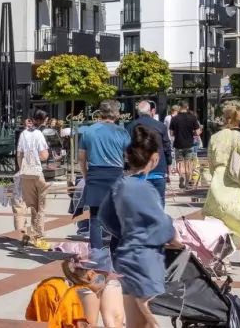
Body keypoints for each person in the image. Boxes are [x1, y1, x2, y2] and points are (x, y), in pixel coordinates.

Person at [96, 123, 178, 327]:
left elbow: (104, 216)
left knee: (135, 320)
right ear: (155, 158)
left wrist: (124, 233)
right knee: (149, 316)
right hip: (145, 258)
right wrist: (174, 238)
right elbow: (161, 224)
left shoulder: (120, 184)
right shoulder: (145, 189)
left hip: (125, 256)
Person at [202, 99, 240, 266]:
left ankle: (224, 257)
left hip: (218, 180)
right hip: (234, 179)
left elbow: (210, 162)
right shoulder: (237, 136)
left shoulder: (214, 137)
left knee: (221, 219)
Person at [77, 100, 132, 262]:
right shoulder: (122, 132)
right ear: (117, 114)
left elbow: (81, 158)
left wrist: (86, 175)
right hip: (116, 174)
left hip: (95, 173)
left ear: (100, 113)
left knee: (95, 217)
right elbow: (129, 157)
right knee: (118, 215)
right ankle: (116, 251)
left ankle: (96, 252)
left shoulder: (88, 131)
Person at [14, 111, 52, 248]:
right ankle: (38, 237)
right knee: (40, 206)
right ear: (43, 120)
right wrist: (48, 152)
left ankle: (24, 234)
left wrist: (22, 169)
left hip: (25, 173)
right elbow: (44, 156)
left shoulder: (23, 134)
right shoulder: (39, 134)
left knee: (26, 204)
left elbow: (19, 154)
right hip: (36, 173)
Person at [129, 99, 171, 206]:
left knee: (139, 203)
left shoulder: (131, 126)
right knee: (159, 202)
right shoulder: (160, 126)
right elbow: (167, 147)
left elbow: (127, 147)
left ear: (138, 112)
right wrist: (169, 165)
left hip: (138, 170)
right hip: (158, 169)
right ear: (150, 111)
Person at [169, 101, 202, 190]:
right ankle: (187, 183)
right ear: (187, 107)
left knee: (180, 163)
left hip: (178, 144)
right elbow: (198, 132)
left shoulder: (174, 119)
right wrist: (192, 133)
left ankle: (181, 176)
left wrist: (178, 133)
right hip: (189, 144)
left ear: (179, 107)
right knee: (188, 164)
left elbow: (171, 133)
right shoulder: (192, 118)